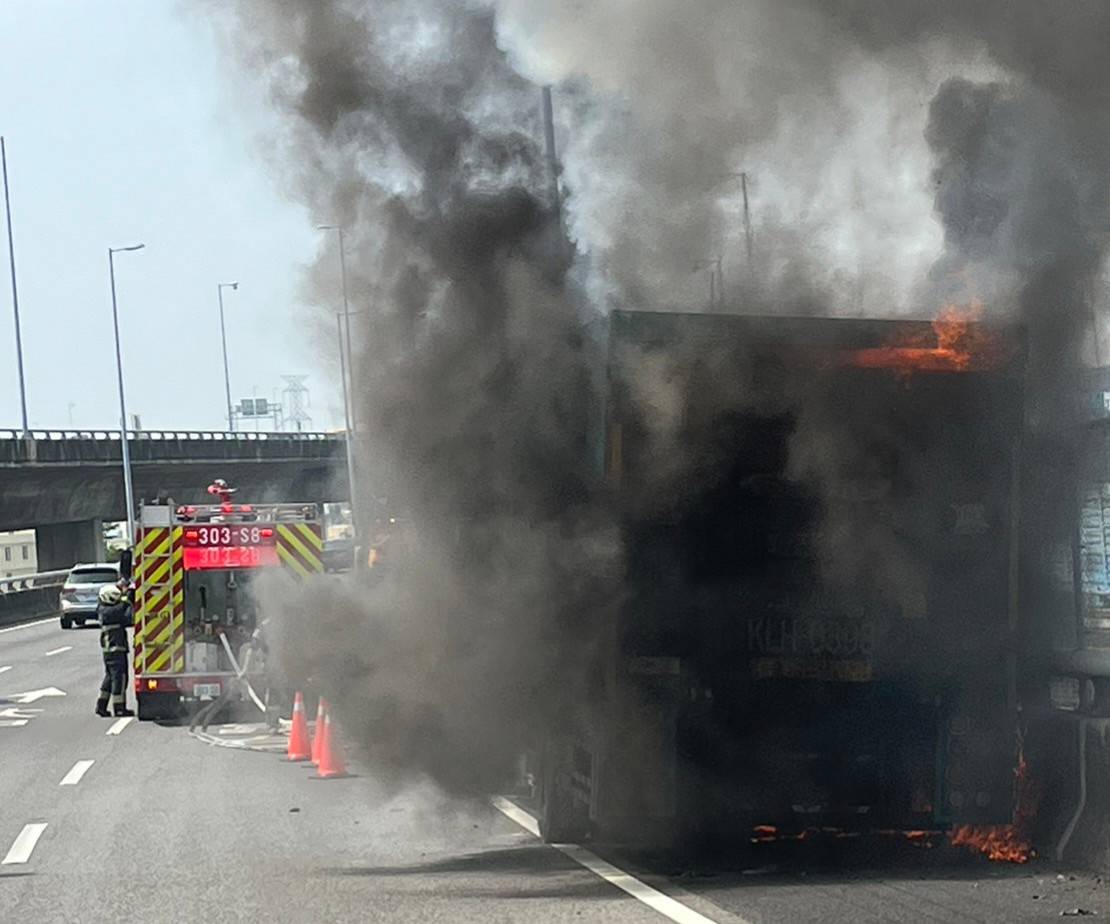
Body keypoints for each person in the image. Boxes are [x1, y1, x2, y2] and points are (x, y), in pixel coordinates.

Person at [95, 583, 134, 718]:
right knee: (119, 678)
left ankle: (101, 705)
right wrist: (128, 600)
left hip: (111, 651)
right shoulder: (109, 611)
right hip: (115, 650)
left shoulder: (103, 609)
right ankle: (119, 708)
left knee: (110, 677)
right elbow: (128, 617)